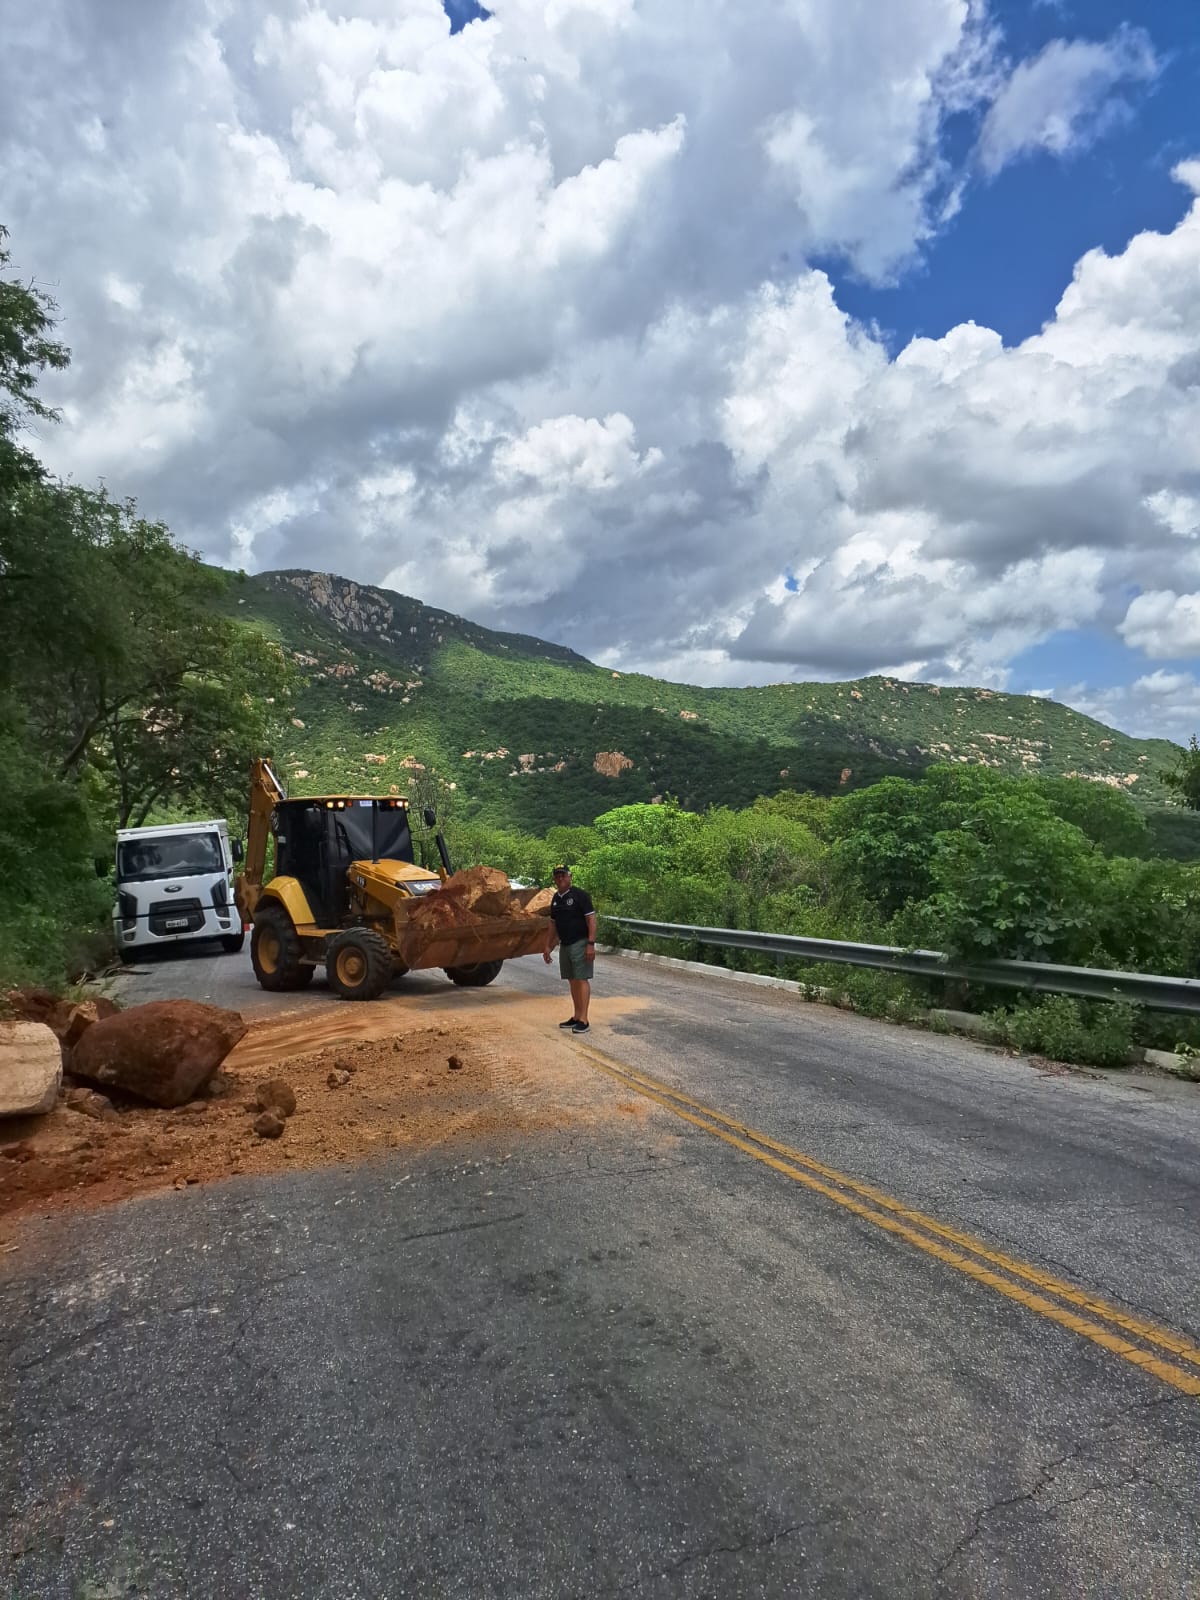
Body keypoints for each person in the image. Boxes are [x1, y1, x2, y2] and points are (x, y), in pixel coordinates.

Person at [543, 864, 596, 1033]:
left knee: (581, 979)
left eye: (563, 875)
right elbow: (553, 924)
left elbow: (591, 920)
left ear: (569, 876)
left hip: (580, 943)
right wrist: (548, 946)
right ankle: (576, 1016)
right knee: (572, 980)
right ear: (554, 879)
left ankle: (584, 1020)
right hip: (565, 944)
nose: (560, 879)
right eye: (557, 876)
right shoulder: (556, 899)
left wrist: (591, 944)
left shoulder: (580, 896)